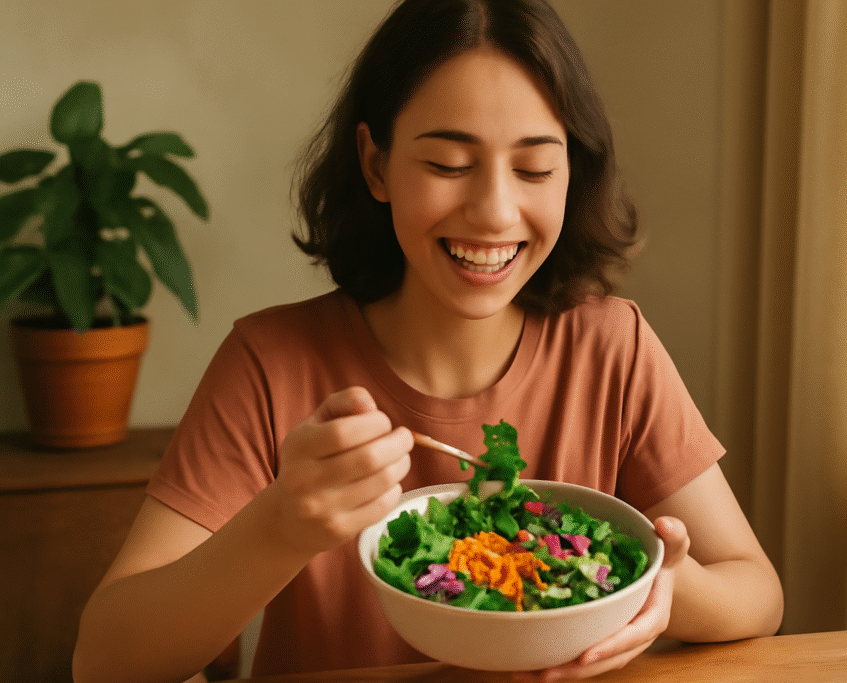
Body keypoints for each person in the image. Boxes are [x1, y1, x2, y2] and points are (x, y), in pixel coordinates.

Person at [73, 1, 783, 681]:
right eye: (448, 164)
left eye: (535, 168)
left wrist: (660, 585)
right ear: (376, 164)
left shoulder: (613, 348)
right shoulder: (272, 362)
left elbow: (758, 593)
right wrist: (281, 528)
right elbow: (103, 660)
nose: (494, 211)